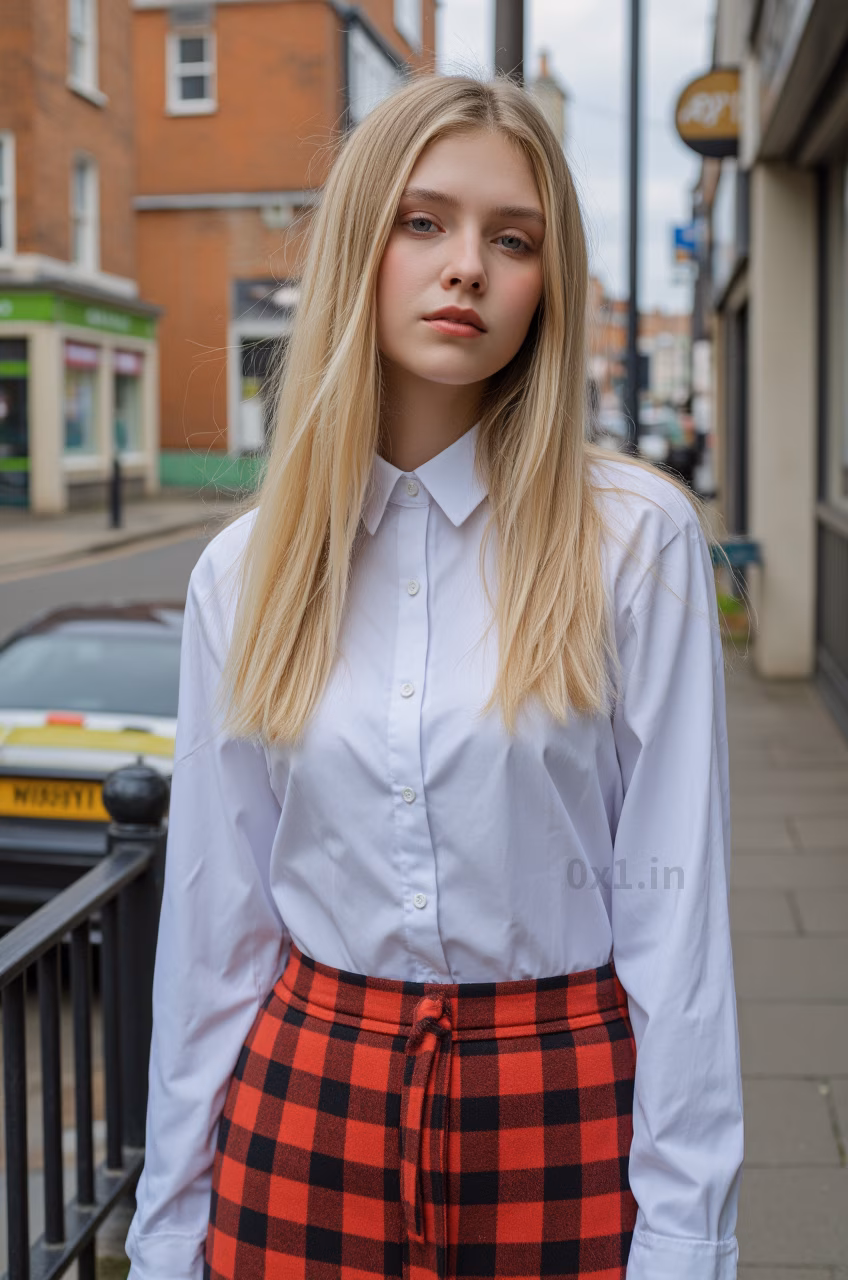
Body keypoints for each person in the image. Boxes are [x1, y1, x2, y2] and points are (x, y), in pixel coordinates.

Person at [125, 73, 744, 1280]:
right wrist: (166, 1232)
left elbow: (679, 938)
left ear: (544, 285)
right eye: (424, 222)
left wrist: (686, 1240)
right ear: (364, 245)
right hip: (304, 1103)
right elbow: (214, 934)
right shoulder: (242, 572)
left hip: (560, 1097)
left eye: (511, 239)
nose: (466, 264)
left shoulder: (635, 540)